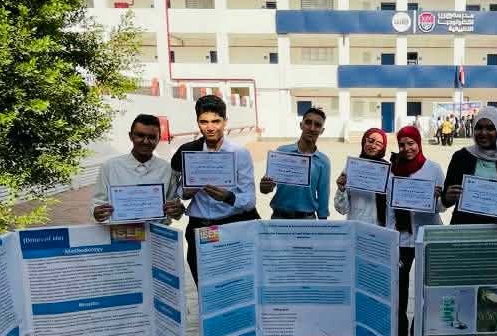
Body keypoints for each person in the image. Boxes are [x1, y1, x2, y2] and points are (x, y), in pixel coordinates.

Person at [169, 95, 258, 282]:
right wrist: (186, 191)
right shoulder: (188, 150)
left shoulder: (239, 153)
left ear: (225, 122)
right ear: (198, 122)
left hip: (230, 228)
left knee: (233, 285)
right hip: (199, 228)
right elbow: (177, 190)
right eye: (204, 122)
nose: (210, 127)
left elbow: (250, 199)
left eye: (216, 121)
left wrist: (228, 197)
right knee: (203, 285)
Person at [386, 125, 444, 336]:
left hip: (425, 237)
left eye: (411, 143)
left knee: (425, 287)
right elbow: (390, 208)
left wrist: (437, 198)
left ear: (419, 143)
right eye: (402, 144)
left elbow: (441, 207)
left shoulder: (433, 169)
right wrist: (391, 236)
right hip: (401, 239)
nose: (406, 148)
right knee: (399, 287)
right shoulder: (392, 171)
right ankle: (400, 332)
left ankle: (419, 329)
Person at [441, 104, 497, 226]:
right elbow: (446, 200)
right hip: (463, 228)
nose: (483, 133)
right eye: (479, 127)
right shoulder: (461, 157)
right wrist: (448, 197)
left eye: (490, 128)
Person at [92, 114, 183, 225]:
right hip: (121, 232)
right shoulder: (110, 167)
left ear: (158, 139)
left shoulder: (168, 169)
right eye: (140, 135)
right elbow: (98, 203)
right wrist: (97, 213)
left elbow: (174, 205)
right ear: (131, 136)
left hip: (157, 233)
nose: (145, 141)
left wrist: (177, 210)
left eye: (152, 137)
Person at [260, 107, 331, 218]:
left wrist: (323, 221)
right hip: (279, 218)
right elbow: (267, 188)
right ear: (301, 125)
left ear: (322, 130)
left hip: (307, 220)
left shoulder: (323, 161)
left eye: (317, 125)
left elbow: (323, 196)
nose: (312, 128)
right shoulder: (282, 152)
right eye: (308, 122)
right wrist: (264, 186)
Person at [334, 127, 388, 223]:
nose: (373, 146)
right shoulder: (351, 168)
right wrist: (341, 190)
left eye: (378, 144)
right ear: (364, 141)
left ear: (383, 147)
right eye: (370, 141)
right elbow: (342, 209)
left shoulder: (388, 172)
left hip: (379, 229)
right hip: (356, 227)